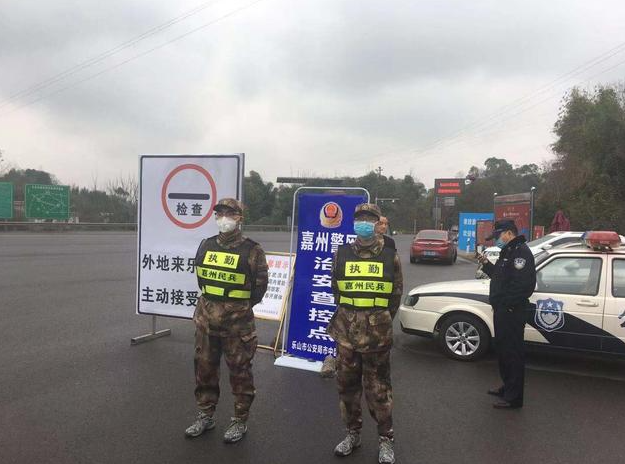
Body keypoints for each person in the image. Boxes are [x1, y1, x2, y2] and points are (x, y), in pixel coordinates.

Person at [184, 198, 268, 442]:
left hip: (237, 325)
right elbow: (203, 281)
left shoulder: (252, 250)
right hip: (206, 322)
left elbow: (259, 289)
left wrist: (235, 307)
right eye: (219, 213)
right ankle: (205, 415)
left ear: (240, 218)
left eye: (229, 214)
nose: (224, 218)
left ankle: (240, 420)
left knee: (240, 373)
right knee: (204, 369)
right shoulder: (206, 245)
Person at [328, 203, 403, 464]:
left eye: (369, 218)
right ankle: (352, 434)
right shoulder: (342, 253)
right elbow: (336, 290)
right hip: (346, 335)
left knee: (379, 390)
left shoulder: (389, 254)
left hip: (376, 336)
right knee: (347, 388)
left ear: (377, 222)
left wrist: (378, 321)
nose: (364, 222)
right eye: (359, 218)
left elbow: (395, 295)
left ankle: (386, 439)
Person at [478, 219, 536, 409]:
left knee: (513, 353)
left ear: (509, 233)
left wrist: (506, 305)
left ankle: (514, 398)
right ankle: (507, 386)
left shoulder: (521, 253)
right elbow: (500, 276)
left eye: (498, 236)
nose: (496, 240)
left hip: (511, 311)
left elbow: (523, 286)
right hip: (502, 310)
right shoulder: (508, 251)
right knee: (503, 351)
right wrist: (486, 264)